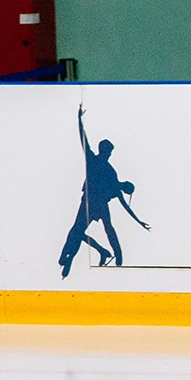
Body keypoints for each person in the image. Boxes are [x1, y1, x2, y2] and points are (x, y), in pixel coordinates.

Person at [59, 106, 149, 276]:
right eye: (109, 152)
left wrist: (139, 221)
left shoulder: (106, 170)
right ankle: (78, 254)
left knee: (85, 230)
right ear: (106, 151)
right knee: (84, 230)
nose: (109, 155)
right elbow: (83, 139)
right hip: (91, 202)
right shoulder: (105, 169)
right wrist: (79, 121)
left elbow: (125, 205)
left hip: (94, 203)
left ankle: (74, 255)